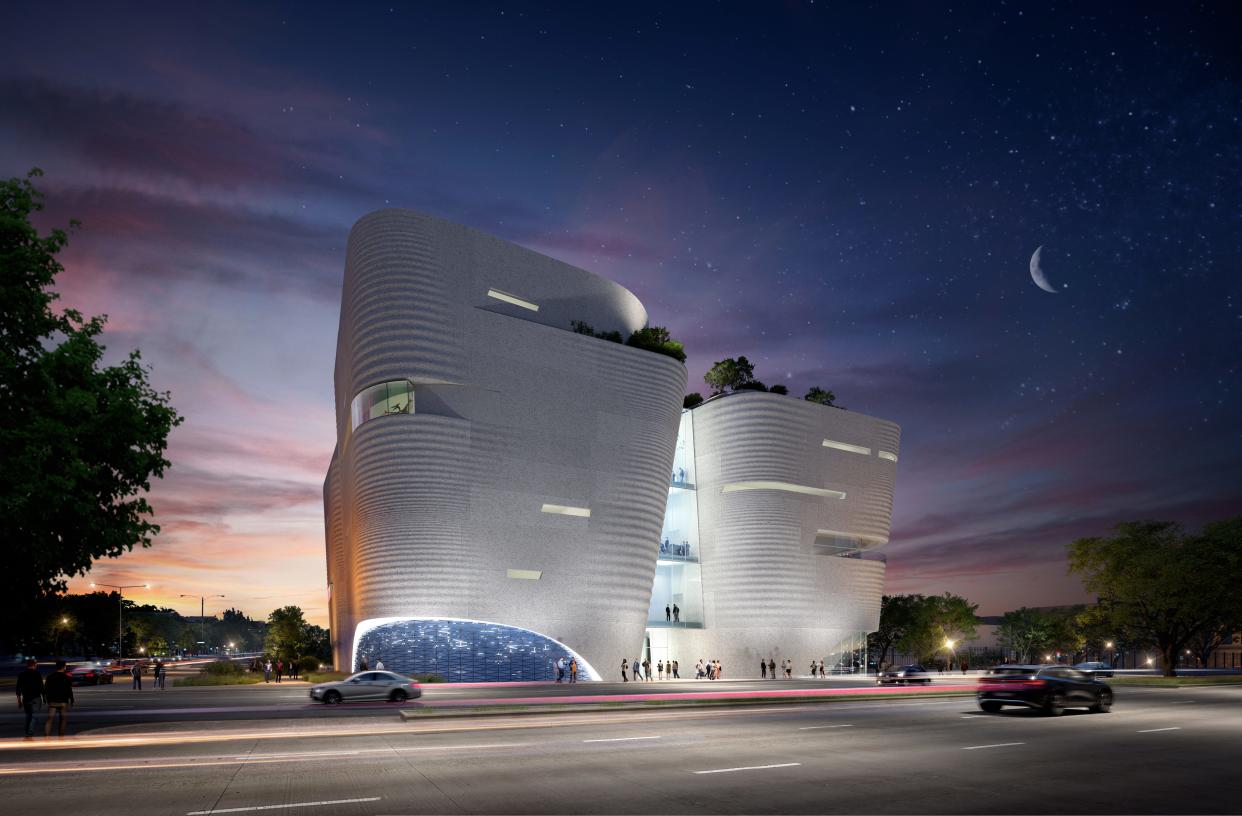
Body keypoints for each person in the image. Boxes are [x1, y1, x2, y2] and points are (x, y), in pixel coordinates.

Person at [44, 661, 74, 737]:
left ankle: (47, 736)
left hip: (52, 701)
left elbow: (46, 689)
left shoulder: (50, 677)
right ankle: (61, 736)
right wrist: (72, 699)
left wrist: (47, 699)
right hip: (63, 701)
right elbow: (69, 690)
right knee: (63, 719)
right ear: (64, 667)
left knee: (50, 719)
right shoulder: (66, 677)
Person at [16, 658, 44, 739]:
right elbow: (41, 687)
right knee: (34, 717)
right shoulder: (37, 674)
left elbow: (18, 689)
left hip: (26, 698)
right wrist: (44, 698)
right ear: (34, 665)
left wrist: (19, 701)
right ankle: (29, 733)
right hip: (36, 698)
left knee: (28, 716)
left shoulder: (21, 674)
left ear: (27, 665)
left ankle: (27, 732)